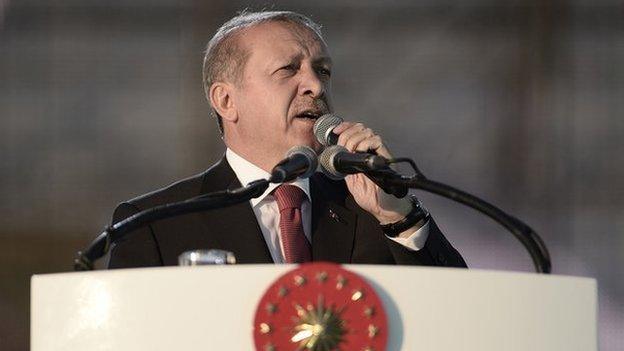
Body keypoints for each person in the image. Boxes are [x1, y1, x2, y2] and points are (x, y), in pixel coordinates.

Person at [107, 10, 466, 268]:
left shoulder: (373, 210)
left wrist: (398, 215)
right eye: (288, 69)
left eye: (322, 71)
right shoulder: (153, 224)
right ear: (226, 100)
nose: (315, 85)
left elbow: (457, 316)